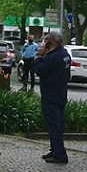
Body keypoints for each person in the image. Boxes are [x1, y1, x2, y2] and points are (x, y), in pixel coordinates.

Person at [33, 31, 71, 164]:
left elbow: (39, 70)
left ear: (50, 42)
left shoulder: (52, 57)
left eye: (45, 40)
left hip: (51, 95)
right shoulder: (64, 54)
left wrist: (38, 56)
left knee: (54, 126)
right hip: (60, 94)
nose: (43, 42)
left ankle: (60, 154)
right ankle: (55, 150)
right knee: (57, 125)